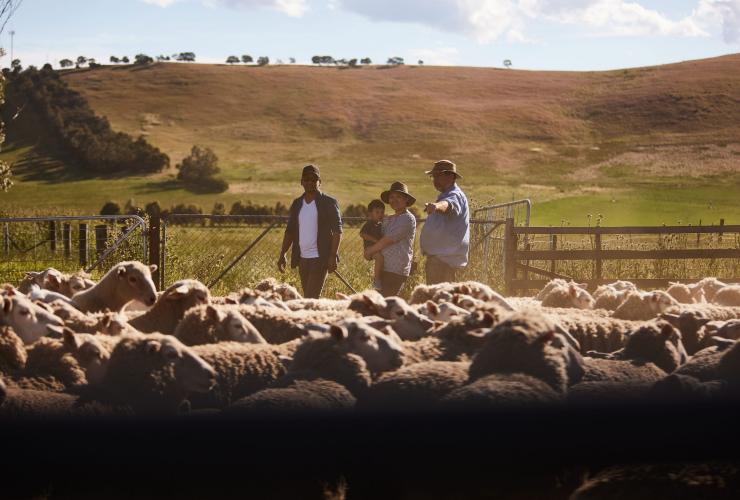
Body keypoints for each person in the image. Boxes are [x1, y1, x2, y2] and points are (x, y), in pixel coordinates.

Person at [277, 164, 342, 298]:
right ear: (302, 182)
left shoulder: (328, 202)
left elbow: (337, 230)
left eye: (314, 179)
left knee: (310, 297)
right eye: (307, 179)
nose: (310, 182)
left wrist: (333, 255)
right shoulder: (297, 203)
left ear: (320, 182)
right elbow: (290, 231)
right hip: (302, 259)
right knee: (309, 297)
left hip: (320, 258)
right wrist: (283, 253)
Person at [420, 160, 469, 285]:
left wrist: (436, 206)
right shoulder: (446, 195)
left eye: (437, 175)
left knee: (440, 301)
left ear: (450, 176)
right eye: (433, 176)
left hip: (444, 262)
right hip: (442, 260)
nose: (434, 180)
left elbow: (449, 206)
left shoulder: (455, 195)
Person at [364, 181, 416, 297]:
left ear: (406, 200)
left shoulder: (407, 219)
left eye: (399, 197)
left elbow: (387, 240)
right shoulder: (388, 219)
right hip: (383, 267)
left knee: (387, 303)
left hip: (395, 270)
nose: (394, 200)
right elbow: (376, 234)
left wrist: (370, 251)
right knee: (380, 303)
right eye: (391, 197)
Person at [359, 199, 385, 291]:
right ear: (370, 214)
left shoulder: (381, 225)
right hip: (369, 249)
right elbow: (362, 234)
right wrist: (376, 241)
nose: (380, 214)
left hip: (377, 248)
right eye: (377, 212)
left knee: (383, 258)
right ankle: (376, 280)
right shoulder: (369, 224)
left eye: (382, 212)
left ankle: (381, 277)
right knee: (380, 257)